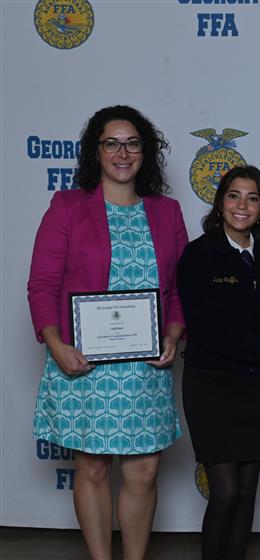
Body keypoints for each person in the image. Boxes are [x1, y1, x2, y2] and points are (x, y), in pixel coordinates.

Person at [28, 105, 188, 559]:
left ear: (145, 151)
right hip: (84, 364)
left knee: (144, 472)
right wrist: (56, 344)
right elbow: (42, 285)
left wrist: (173, 335)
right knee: (93, 470)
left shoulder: (167, 212)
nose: (123, 153)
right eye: (112, 143)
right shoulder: (68, 207)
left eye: (132, 143)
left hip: (144, 367)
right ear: (95, 151)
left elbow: (179, 290)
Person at [177, 165, 260, 560]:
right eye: (233, 195)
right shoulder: (199, 254)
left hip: (258, 384)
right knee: (225, 493)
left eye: (252, 198)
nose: (242, 205)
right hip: (211, 384)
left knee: (247, 493)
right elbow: (203, 327)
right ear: (220, 203)